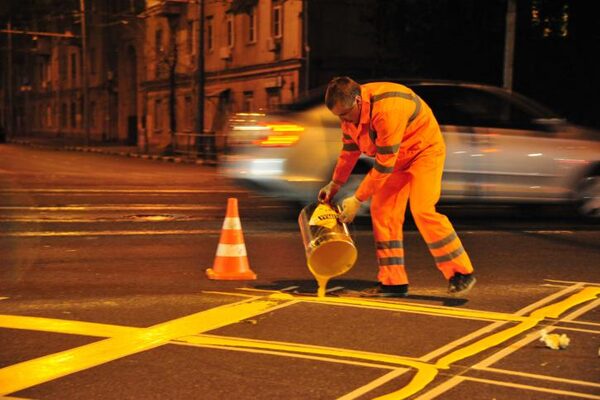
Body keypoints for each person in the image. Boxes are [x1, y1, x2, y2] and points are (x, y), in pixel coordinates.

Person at [318, 76, 475, 297]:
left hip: (424, 152)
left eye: (344, 114)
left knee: (422, 210)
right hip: (397, 158)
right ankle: (393, 283)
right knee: (382, 211)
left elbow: (383, 166)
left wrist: (357, 199)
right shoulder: (350, 115)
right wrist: (335, 183)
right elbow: (349, 152)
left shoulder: (386, 109)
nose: (343, 120)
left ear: (358, 101)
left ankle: (461, 273)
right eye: (338, 116)